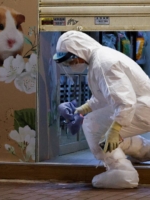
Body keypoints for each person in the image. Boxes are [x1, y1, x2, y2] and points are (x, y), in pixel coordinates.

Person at [53, 30, 150, 189]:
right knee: (104, 127)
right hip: (142, 106)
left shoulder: (103, 63)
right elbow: (103, 98)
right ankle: (144, 151)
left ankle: (122, 172)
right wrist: (82, 110)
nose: (70, 65)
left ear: (79, 53)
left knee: (93, 125)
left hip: (140, 108)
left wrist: (115, 128)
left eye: (70, 61)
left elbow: (124, 101)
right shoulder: (99, 59)